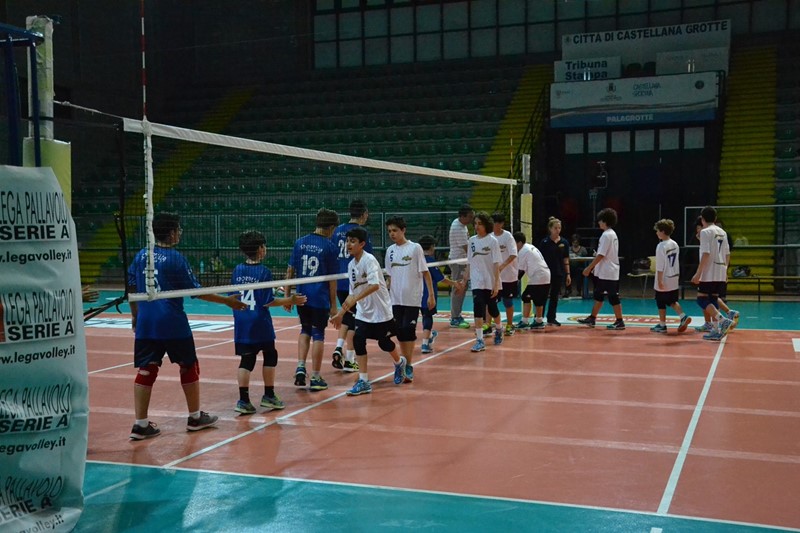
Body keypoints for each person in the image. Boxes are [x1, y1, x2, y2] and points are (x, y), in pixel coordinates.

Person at [128, 212, 248, 440]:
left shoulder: (141, 255)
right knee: (188, 365)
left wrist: (136, 316)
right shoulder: (175, 258)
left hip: (146, 323)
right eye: (179, 229)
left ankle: (140, 424)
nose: (180, 233)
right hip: (172, 323)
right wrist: (227, 301)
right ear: (172, 232)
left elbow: (132, 290)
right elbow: (196, 292)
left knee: (146, 370)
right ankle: (194, 417)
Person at [231, 231, 307, 414]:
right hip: (260, 322)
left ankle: (243, 400)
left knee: (246, 360)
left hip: (242, 322)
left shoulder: (237, 270)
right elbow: (268, 302)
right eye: (264, 246)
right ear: (260, 249)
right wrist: (291, 300)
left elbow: (234, 296)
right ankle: (269, 395)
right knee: (270, 355)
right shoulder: (263, 272)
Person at [330, 227, 407, 396]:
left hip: (380, 311)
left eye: (353, 241)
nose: (348, 244)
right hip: (363, 312)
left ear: (362, 244)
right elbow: (352, 293)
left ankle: (399, 362)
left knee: (384, 343)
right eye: (347, 241)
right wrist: (340, 314)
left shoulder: (369, 260)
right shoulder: (351, 265)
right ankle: (363, 380)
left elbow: (374, 285)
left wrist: (356, 299)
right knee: (358, 340)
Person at [285, 208, 339, 390]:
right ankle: (315, 376)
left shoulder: (300, 242)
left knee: (304, 330)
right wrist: (334, 306)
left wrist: (287, 296)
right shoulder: (330, 247)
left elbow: (290, 270)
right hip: (319, 298)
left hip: (302, 296)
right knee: (318, 335)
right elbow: (332, 280)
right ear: (331, 227)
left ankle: (301, 367)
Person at [384, 216, 435, 383]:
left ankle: (408, 365)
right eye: (389, 231)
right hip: (395, 299)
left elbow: (425, 273)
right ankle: (403, 363)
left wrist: (431, 295)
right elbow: (389, 276)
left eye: (395, 230)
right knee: (400, 331)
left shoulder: (415, 248)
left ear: (403, 230)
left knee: (408, 330)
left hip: (412, 298)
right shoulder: (390, 251)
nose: (392, 234)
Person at [330, 199, 371, 373]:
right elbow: (367, 257)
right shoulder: (362, 233)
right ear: (364, 214)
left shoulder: (337, 230)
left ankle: (339, 347)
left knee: (348, 316)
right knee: (355, 320)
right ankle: (350, 359)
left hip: (338, 280)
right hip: (354, 281)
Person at [691, 206, 735, 341]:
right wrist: (725, 271)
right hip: (721, 270)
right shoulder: (722, 232)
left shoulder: (705, 232)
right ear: (715, 218)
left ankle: (723, 321)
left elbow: (706, 253)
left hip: (709, 271)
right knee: (713, 299)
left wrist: (698, 273)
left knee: (702, 299)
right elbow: (727, 254)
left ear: (702, 219)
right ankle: (715, 330)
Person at [577, 208, 625, 330]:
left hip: (608, 272)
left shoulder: (606, 235)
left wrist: (589, 267)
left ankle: (620, 321)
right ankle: (592, 318)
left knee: (613, 296)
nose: (599, 222)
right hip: (607, 271)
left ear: (605, 221)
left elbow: (601, 255)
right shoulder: (612, 234)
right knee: (598, 294)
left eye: (600, 220)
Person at [463, 211, 503, 352]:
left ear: (486, 225)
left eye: (480, 224)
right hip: (477, 281)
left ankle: (499, 328)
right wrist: (464, 280)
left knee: (492, 308)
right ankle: (479, 340)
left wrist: (496, 284)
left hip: (490, 281)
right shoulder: (472, 240)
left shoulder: (493, 241)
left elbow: (496, 264)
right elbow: (469, 262)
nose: (477, 226)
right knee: (478, 307)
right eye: (475, 224)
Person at [418, 235, 461, 354]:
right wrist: (455, 283)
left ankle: (429, 336)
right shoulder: (430, 261)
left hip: (415, 295)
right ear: (432, 247)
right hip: (428, 295)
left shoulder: (415, 260)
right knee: (427, 317)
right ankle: (425, 343)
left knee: (424, 316)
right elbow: (441, 279)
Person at [649, 219, 691, 334]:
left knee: (660, 301)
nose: (656, 233)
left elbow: (660, 265)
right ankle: (682, 316)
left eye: (658, 231)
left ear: (663, 231)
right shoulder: (674, 244)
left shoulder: (661, 246)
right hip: (674, 276)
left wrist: (659, 280)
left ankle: (662, 325)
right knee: (672, 300)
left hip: (665, 277)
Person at [513, 232, 550, 331]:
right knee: (538, 300)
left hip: (538, 276)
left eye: (514, 243)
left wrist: (514, 281)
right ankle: (539, 321)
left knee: (526, 296)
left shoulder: (523, 251)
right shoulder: (530, 247)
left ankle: (525, 321)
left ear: (519, 243)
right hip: (545, 275)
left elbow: (521, 270)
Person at [538, 217, 570, 326]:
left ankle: (551, 318)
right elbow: (539, 258)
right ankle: (539, 317)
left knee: (554, 296)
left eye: (559, 228)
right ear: (550, 229)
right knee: (543, 295)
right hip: (545, 273)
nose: (558, 230)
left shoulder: (564, 242)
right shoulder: (545, 242)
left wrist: (568, 274)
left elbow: (566, 258)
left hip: (558, 272)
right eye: (555, 228)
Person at [491, 212, 519, 336]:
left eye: (497, 223)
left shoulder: (508, 236)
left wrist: (502, 266)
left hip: (508, 276)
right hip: (494, 277)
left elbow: (513, 254)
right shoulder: (489, 237)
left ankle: (509, 324)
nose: (494, 225)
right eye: (493, 222)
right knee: (491, 301)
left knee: (508, 301)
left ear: (501, 224)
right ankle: (488, 325)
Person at [448, 203, 474, 329]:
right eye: (470, 217)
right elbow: (467, 248)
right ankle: (455, 317)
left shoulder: (461, 225)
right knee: (458, 287)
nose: (471, 219)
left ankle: (457, 315)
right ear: (463, 216)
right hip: (458, 262)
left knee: (462, 288)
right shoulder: (458, 228)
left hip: (462, 261)